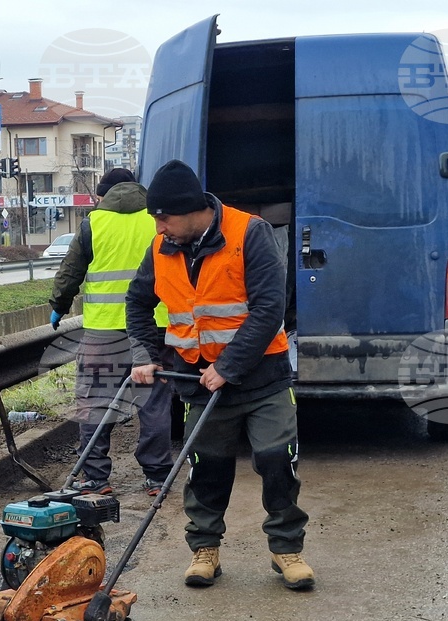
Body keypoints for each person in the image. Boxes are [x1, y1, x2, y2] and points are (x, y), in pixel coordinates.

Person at [125, 159, 314, 590]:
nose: (159, 229)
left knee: (275, 459)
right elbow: (137, 303)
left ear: (194, 210)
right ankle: (204, 549)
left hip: (263, 377)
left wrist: (227, 367)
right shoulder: (161, 249)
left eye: (165, 218)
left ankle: (287, 549)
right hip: (197, 379)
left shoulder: (250, 233)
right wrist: (144, 353)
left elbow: (270, 309)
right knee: (206, 467)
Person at [49, 168, 174, 496]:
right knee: (155, 403)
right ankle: (158, 476)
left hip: (105, 330)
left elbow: (70, 271)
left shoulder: (95, 222)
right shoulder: (158, 219)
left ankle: (94, 476)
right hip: (154, 327)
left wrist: (59, 306)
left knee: (96, 401)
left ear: (104, 195)